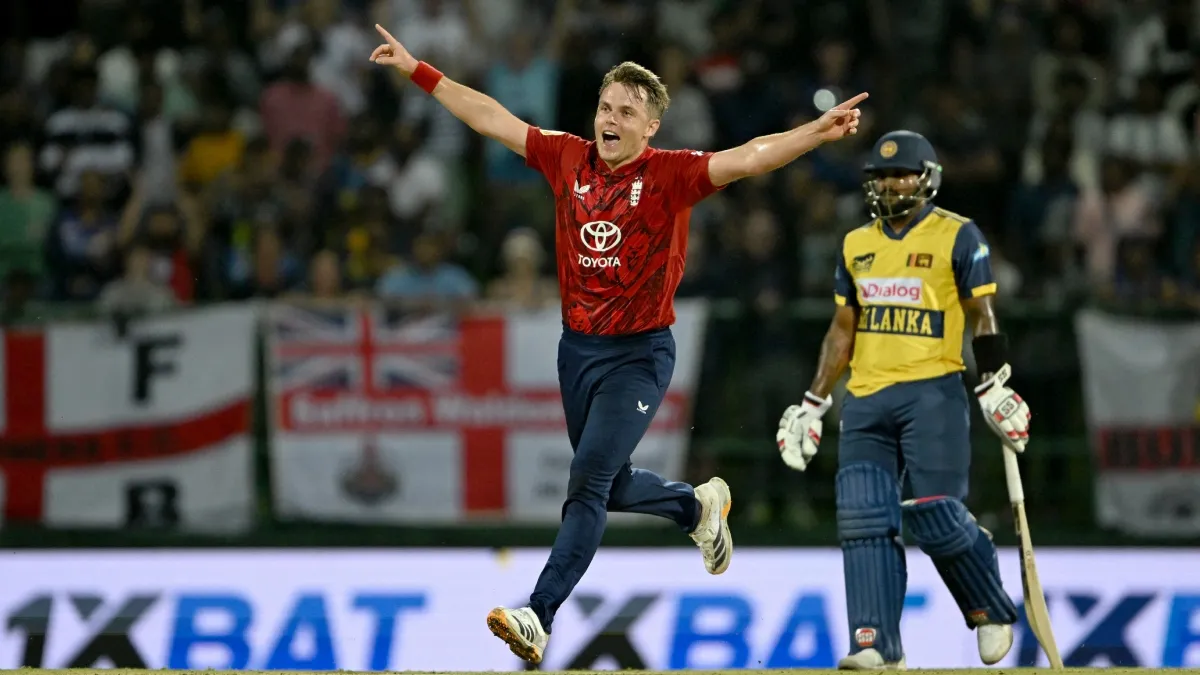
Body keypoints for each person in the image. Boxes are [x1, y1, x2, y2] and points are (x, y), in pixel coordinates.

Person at [370, 24, 867, 665]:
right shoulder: (566, 157)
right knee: (610, 483)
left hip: (639, 354)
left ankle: (538, 614)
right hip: (577, 351)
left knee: (587, 481)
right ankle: (695, 509)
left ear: (651, 127)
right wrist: (419, 70)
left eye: (627, 112)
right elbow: (490, 117)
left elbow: (749, 156)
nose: (610, 119)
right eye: (606, 107)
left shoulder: (671, 174)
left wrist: (814, 134)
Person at [774, 131, 1031, 670]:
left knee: (935, 512)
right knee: (863, 521)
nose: (891, 184)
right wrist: (813, 400)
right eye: (882, 176)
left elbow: (983, 315)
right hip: (865, 398)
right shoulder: (854, 243)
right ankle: (874, 644)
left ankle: (988, 606)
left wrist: (994, 383)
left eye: (902, 174)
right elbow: (842, 329)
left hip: (933, 390)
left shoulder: (958, 234)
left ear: (927, 178)